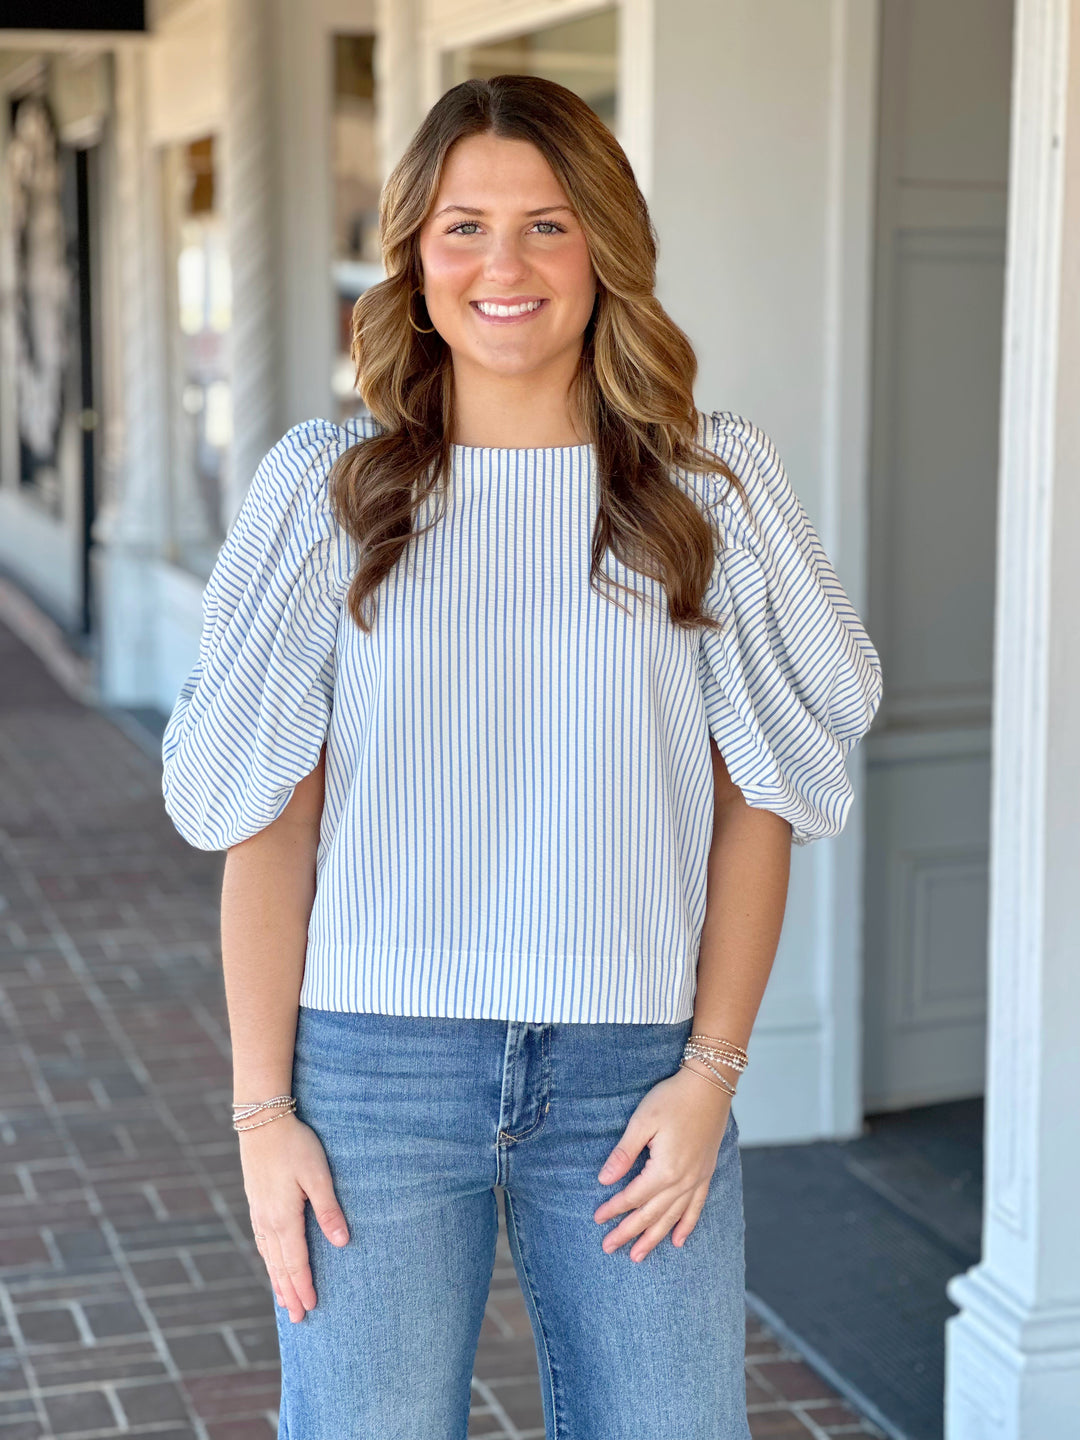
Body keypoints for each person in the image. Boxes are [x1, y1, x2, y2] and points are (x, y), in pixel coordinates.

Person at [161, 73, 882, 1440]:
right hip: (372, 1073)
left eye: (548, 225)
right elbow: (271, 827)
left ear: (606, 245)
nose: (504, 265)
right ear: (414, 259)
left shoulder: (708, 492)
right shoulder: (330, 494)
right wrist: (264, 1113)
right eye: (463, 227)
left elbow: (761, 803)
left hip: (632, 1075)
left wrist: (710, 1074)